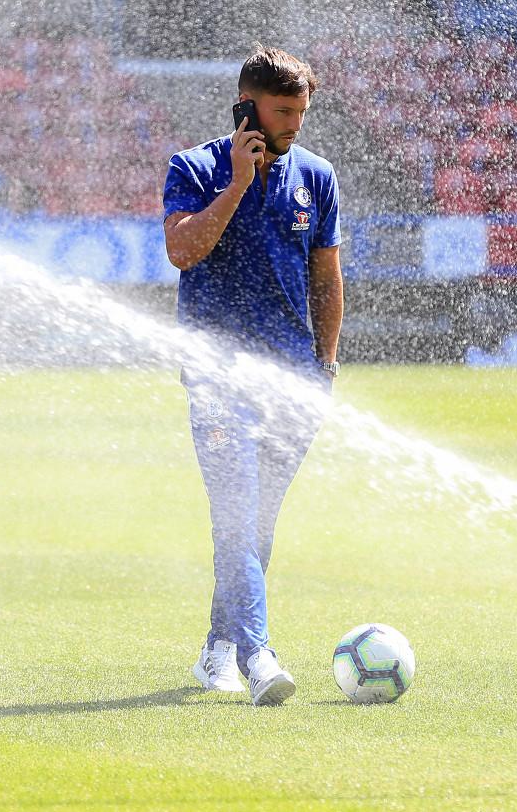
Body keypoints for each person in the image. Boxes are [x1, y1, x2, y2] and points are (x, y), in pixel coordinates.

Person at [161, 43, 343, 706]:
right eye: (283, 110)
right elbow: (183, 250)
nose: (295, 122)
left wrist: (324, 365)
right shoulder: (194, 169)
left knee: (257, 527)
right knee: (236, 517)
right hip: (217, 379)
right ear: (247, 106)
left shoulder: (318, 177)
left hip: (296, 380)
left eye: (301, 111)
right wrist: (238, 183)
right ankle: (257, 653)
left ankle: (216, 645)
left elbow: (326, 277)